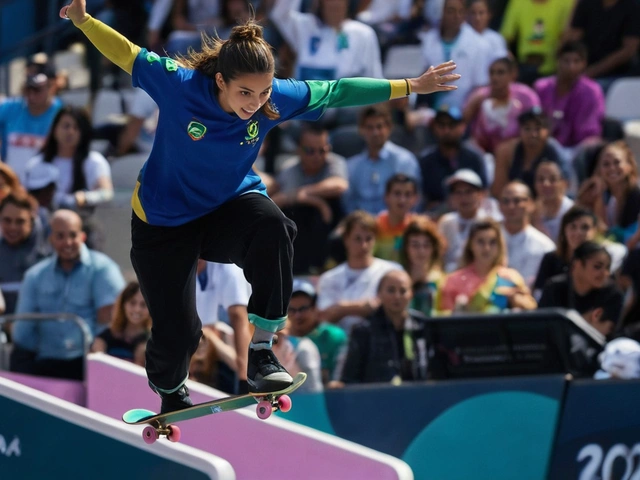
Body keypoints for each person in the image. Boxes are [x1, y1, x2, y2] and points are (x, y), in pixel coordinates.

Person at [61, 0, 459, 412]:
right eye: (245, 93)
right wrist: (83, 20)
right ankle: (170, 386)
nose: (255, 102)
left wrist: (410, 85)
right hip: (164, 221)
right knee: (179, 330)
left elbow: (338, 90)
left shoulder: (273, 100)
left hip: (226, 206)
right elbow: (126, 52)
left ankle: (263, 350)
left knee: (275, 227)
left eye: (264, 91)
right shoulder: (179, 86)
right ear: (220, 81)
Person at [10, 209, 125, 380]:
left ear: (82, 236)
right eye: (60, 236)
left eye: (73, 235)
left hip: (87, 363)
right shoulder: (35, 275)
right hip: (44, 362)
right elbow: (23, 331)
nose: (67, 242)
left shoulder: (103, 269)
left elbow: (111, 322)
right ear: (51, 239)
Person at [271, 123, 348, 274]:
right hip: (300, 229)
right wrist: (317, 202)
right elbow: (277, 202)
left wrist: (302, 193)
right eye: (310, 151)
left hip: (333, 225)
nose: (317, 156)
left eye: (322, 150)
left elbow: (339, 185)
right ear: (298, 150)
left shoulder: (334, 162)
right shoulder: (289, 169)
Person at [317, 210, 403, 334]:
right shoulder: (329, 278)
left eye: (369, 239)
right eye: (357, 239)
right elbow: (323, 318)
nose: (364, 245)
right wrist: (357, 308)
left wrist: (340, 309)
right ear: (346, 239)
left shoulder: (393, 271)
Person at [338, 269, 429, 385]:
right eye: (391, 290)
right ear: (379, 294)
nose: (397, 296)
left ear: (411, 294)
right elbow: (349, 378)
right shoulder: (364, 330)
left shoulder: (422, 325)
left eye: (403, 291)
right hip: (376, 399)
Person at [435, 219, 536, 314]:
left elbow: (529, 311)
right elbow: (443, 321)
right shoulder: (453, 281)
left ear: (499, 246)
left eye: (492, 242)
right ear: (470, 245)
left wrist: (516, 300)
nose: (486, 248)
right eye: (480, 242)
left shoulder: (510, 278)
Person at [533, 206, 627, 299]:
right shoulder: (551, 258)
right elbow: (539, 293)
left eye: (585, 227)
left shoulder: (603, 259)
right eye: (573, 227)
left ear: (594, 231)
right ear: (564, 230)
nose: (578, 232)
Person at [343, 105, 421, 215]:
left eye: (379, 127)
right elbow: (349, 203)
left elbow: (413, 202)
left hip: (396, 225)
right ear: (361, 130)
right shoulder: (351, 166)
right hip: (362, 227)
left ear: (389, 128)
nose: (375, 132)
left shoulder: (404, 160)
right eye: (369, 127)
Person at [539, 241, 624, 337]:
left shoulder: (612, 294)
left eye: (607, 268)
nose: (605, 273)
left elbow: (603, 332)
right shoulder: (554, 288)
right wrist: (585, 322)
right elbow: (544, 327)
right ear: (578, 264)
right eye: (597, 267)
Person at [534, 41, 605, 156]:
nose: (571, 66)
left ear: (584, 64)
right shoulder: (541, 87)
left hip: (580, 151)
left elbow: (589, 131)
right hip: (544, 146)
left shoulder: (592, 91)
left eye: (576, 61)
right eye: (566, 61)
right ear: (557, 62)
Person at [419, 106, 488, 215]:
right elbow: (423, 199)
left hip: (471, 214)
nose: (446, 130)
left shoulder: (474, 157)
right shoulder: (426, 160)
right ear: (434, 128)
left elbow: (483, 193)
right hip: (436, 215)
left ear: (463, 127)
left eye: (452, 125)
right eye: (441, 125)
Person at [464, 56, 540, 155]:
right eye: (492, 73)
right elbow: (463, 122)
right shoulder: (479, 96)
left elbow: (537, 123)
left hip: (518, 152)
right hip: (483, 153)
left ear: (513, 74)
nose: (495, 77)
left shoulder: (526, 96)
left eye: (500, 72)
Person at [0, 61, 62, 181]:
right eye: (28, 89)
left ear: (52, 85)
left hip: (46, 190)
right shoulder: (8, 108)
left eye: (37, 89)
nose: (31, 96)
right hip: (10, 191)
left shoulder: (62, 116)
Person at [287, 279, 347, 385]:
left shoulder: (333, 336)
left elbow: (339, 378)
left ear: (315, 308)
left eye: (303, 309)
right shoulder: (280, 340)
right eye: (291, 310)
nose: (297, 315)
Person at [0, 193, 50, 316]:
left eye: (20, 221)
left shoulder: (50, 255)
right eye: (7, 220)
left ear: (31, 222)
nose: (12, 227)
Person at [499, 181, 556, 287]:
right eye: (506, 201)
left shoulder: (545, 247)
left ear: (531, 204)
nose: (511, 206)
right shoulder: (485, 239)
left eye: (517, 200)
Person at [91, 280, 152, 366]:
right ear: (123, 304)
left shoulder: (151, 343)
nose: (137, 309)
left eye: (143, 305)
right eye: (132, 303)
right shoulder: (105, 337)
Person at [400, 215, 446, 317]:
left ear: (433, 248)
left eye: (426, 245)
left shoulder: (442, 281)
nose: (421, 251)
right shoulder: (396, 279)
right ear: (406, 247)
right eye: (415, 245)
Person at [373, 173, 419, 262]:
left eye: (408, 194)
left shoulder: (418, 227)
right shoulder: (375, 226)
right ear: (386, 197)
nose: (402, 200)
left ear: (415, 199)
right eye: (397, 193)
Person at [531, 160, 574, 243]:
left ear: (563, 183)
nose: (546, 184)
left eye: (553, 179)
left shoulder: (571, 210)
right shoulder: (530, 210)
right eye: (541, 179)